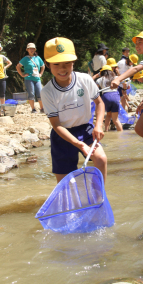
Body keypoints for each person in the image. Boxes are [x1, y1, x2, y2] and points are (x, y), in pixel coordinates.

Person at [40, 37, 107, 184]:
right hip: (62, 135)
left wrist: (98, 125)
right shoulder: (47, 92)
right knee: (65, 182)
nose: (62, 69)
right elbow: (56, 125)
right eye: (56, 64)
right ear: (47, 64)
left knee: (101, 159)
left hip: (85, 129)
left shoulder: (84, 79)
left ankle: (99, 196)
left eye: (67, 64)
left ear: (73, 63)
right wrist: (79, 144)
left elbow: (99, 102)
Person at [111, 30, 143, 159]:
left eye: (140, 43)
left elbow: (135, 69)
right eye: (136, 44)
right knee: (139, 129)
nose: (137, 46)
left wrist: (118, 79)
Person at [16, 43, 45, 113]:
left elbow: (43, 66)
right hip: (28, 78)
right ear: (27, 50)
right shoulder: (25, 59)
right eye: (30, 48)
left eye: (33, 49)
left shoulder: (38, 58)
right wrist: (22, 74)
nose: (32, 50)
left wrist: (40, 73)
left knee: (40, 93)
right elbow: (18, 66)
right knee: (31, 93)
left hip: (37, 78)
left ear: (35, 50)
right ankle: (33, 109)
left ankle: (42, 108)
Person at [96, 65, 123, 132]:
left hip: (106, 96)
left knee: (108, 114)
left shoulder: (100, 79)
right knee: (115, 119)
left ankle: (106, 130)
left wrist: (97, 75)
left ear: (102, 72)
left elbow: (95, 89)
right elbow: (124, 82)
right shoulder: (116, 77)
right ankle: (121, 133)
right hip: (115, 96)